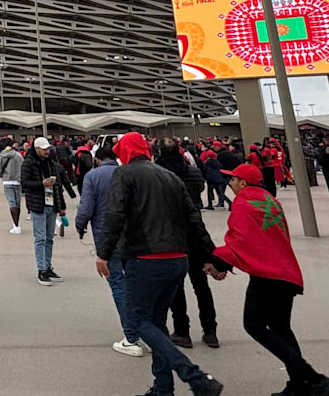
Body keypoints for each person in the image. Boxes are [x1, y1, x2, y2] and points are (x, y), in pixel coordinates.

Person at [95, 132, 223, 396]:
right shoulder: (170, 176)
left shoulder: (125, 174)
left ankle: (195, 377)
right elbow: (194, 219)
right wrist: (209, 256)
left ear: (124, 152)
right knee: (157, 322)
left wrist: (103, 253)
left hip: (145, 257)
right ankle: (163, 387)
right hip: (178, 258)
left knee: (137, 320)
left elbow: (115, 214)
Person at [205, 164, 329, 396]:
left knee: (254, 325)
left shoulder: (243, 202)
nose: (230, 183)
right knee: (281, 328)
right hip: (286, 272)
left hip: (266, 274)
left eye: (233, 179)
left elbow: (240, 239)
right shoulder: (269, 200)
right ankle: (300, 384)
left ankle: (312, 377)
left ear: (243, 183)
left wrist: (218, 261)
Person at [76, 146, 143, 356]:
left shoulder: (92, 176)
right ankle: (147, 332)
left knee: (118, 284)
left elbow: (86, 206)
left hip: (106, 236)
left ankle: (131, 337)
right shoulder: (128, 173)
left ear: (97, 160)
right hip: (133, 236)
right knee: (136, 284)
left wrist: (80, 225)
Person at [157, 139, 219, 349]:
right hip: (194, 230)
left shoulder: (158, 174)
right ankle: (210, 330)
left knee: (176, 286)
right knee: (201, 285)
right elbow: (199, 188)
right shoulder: (192, 172)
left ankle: (182, 330)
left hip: (172, 233)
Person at [21, 137, 67, 286]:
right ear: (37, 149)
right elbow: (24, 183)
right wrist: (41, 184)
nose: (47, 151)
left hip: (51, 204)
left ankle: (47, 267)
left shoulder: (51, 163)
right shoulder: (28, 163)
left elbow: (58, 186)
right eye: (44, 149)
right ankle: (41, 269)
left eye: (48, 148)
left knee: (49, 238)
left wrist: (61, 206)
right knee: (40, 238)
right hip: (38, 205)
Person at [0, 138, 25, 234]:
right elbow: (23, 168)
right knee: (17, 203)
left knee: (12, 202)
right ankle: (16, 223)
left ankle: (16, 225)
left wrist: (3, 176)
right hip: (18, 181)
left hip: (7, 181)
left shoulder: (1, 156)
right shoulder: (18, 155)